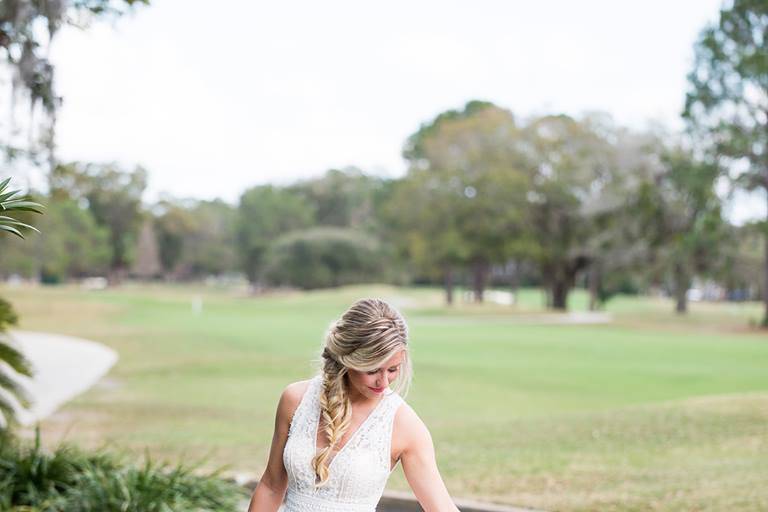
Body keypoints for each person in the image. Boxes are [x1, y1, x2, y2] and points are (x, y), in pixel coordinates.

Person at [247, 298, 460, 512]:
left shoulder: (405, 425)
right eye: (372, 370)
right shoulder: (295, 399)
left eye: (393, 369)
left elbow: (441, 508)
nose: (384, 382)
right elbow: (271, 486)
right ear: (348, 359)